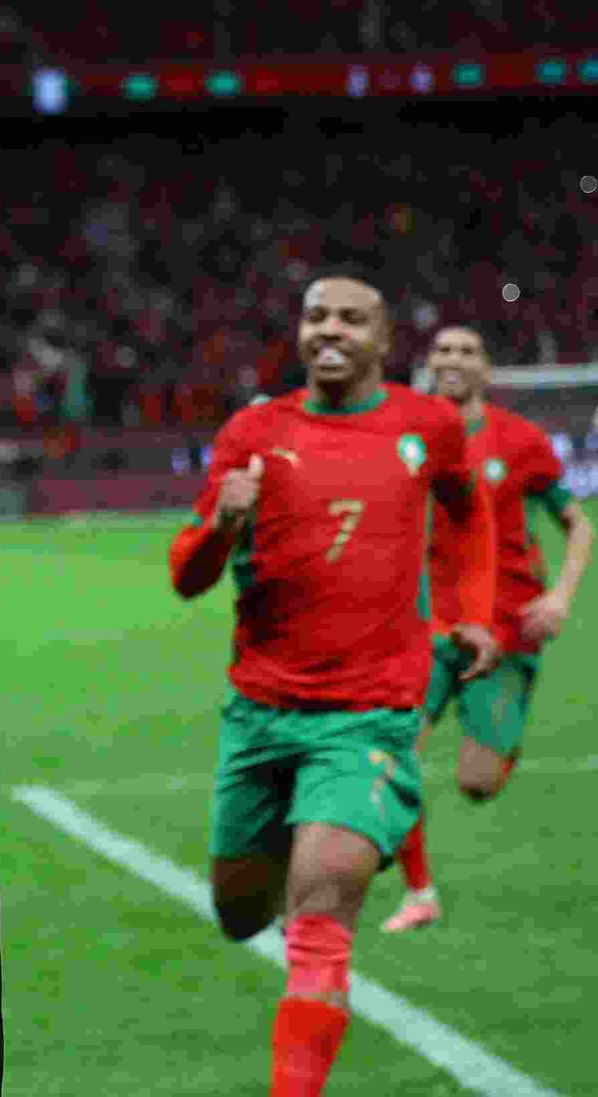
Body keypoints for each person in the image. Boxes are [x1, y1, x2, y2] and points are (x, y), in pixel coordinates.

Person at [168, 276, 499, 1095]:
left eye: (353, 319)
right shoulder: (254, 429)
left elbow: (470, 510)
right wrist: (224, 524)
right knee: (243, 913)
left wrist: (477, 611)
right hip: (260, 716)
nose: (331, 331)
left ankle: (352, 830)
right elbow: (187, 575)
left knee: (318, 929)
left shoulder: (426, 427)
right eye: (318, 316)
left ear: (384, 341)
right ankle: (331, 839)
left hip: (369, 717)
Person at [379, 324, 591, 934]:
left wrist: (560, 598)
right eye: (442, 350)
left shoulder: (520, 440)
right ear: (428, 364)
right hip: (425, 628)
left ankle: (501, 730)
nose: (452, 359)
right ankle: (419, 891)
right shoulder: (405, 437)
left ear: (487, 370)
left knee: (477, 782)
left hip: (506, 629)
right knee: (390, 755)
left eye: (467, 351)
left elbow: (577, 525)